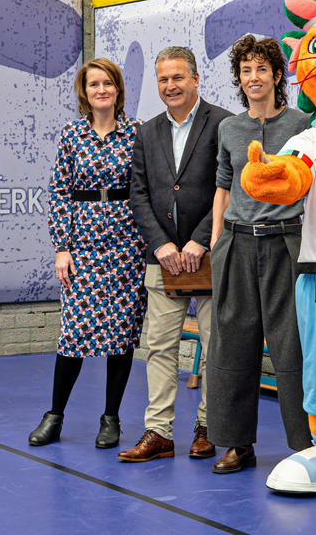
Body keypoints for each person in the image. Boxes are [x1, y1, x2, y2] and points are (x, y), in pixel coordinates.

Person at [204, 35, 313, 473]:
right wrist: (217, 242)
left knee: (293, 346)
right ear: (239, 78)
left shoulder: (302, 124)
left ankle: (307, 444)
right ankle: (237, 444)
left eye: (261, 69)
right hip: (237, 244)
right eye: (245, 70)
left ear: (277, 75)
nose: (253, 77)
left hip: (287, 242)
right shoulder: (229, 129)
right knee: (231, 344)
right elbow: (222, 186)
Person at [119, 47, 230, 462]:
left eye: (178, 77)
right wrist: (160, 244)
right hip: (161, 259)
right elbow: (138, 193)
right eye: (163, 79)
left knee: (215, 346)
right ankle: (158, 433)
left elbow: (229, 187)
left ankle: (208, 427)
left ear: (196, 79)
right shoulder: (146, 132)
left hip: (212, 254)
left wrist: (201, 240)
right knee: (160, 347)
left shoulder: (223, 124)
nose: (170, 86)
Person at [29, 57, 145, 449]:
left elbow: (146, 188)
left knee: (122, 333)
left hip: (127, 244)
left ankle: (111, 418)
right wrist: (62, 247)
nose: (101, 90)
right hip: (83, 245)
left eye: (108, 83)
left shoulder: (137, 132)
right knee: (73, 333)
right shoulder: (72, 134)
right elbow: (60, 190)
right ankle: (54, 415)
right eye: (94, 84)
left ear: (118, 89)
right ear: (85, 91)